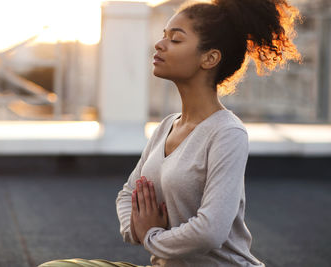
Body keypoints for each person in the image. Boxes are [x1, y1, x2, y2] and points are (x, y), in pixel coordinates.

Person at [38, 0, 302, 266]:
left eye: (175, 39)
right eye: (164, 36)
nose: (159, 44)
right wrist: (139, 229)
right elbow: (128, 193)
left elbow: (211, 231)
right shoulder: (167, 125)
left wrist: (151, 236)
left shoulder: (227, 133)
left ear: (209, 58)